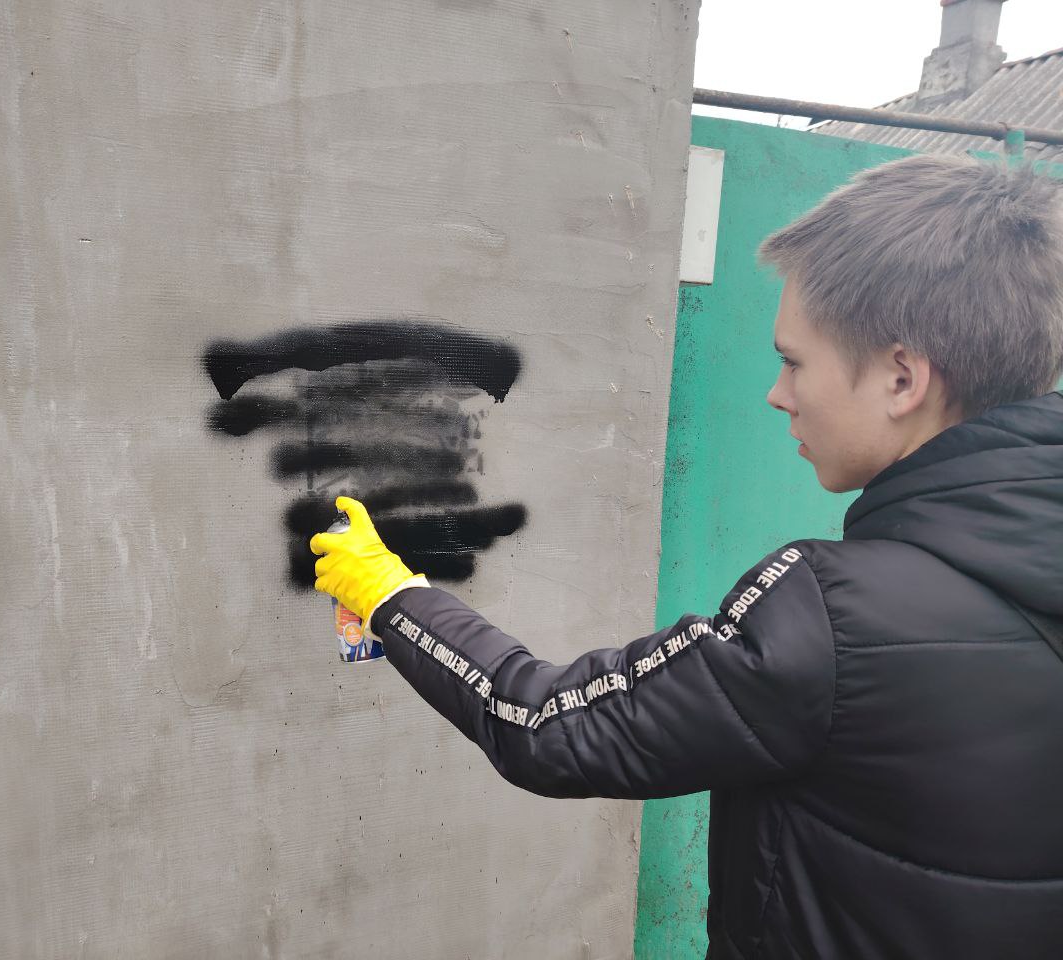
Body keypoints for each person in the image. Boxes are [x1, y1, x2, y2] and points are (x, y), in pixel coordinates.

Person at [309, 154, 1063, 959]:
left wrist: (392, 598)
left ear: (902, 378)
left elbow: (544, 725)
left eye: (794, 361)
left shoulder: (836, 618)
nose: (778, 392)